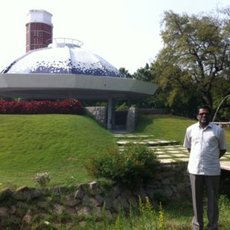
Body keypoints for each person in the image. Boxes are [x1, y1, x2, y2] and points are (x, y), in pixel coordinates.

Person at [183, 105, 227, 230]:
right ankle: (197, 226)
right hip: (195, 169)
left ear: (210, 115)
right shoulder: (190, 130)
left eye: (206, 114)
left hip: (212, 170)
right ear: (197, 115)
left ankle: (212, 226)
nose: (204, 116)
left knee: (212, 200)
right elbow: (189, 148)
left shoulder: (218, 131)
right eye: (201, 114)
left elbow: (222, 149)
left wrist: (211, 158)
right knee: (196, 200)